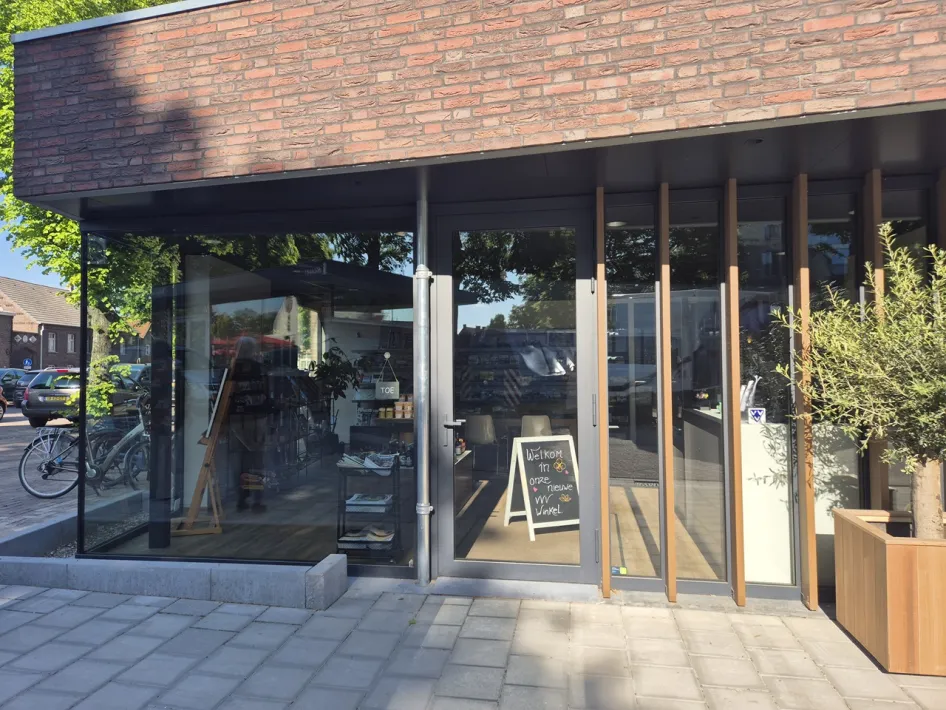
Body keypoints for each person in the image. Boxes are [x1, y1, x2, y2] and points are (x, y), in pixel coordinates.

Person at [228, 336, 269, 512]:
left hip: (237, 420)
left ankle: (241, 497)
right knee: (257, 461)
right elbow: (266, 393)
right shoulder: (259, 368)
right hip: (257, 419)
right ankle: (257, 500)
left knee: (239, 462)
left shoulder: (232, 370)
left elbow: (227, 394)